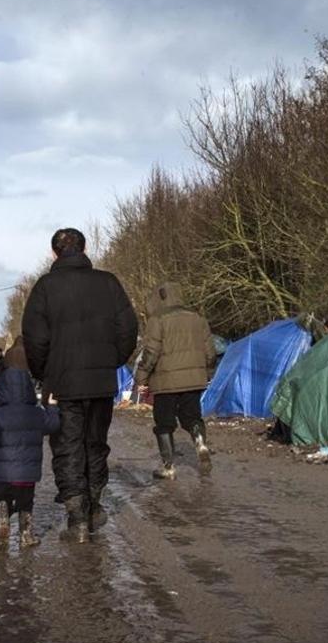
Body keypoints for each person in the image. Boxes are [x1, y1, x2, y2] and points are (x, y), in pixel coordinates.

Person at [22, 228, 138, 543]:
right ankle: (93, 504)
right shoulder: (108, 283)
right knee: (95, 442)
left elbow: (34, 338)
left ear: (54, 253)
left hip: (61, 382)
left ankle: (76, 516)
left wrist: (43, 371)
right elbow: (128, 328)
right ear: (85, 249)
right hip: (100, 381)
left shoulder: (45, 287)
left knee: (66, 445)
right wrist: (111, 360)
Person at [134, 281, 217, 480]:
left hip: (165, 382)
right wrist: (206, 373)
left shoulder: (157, 320)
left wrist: (141, 379)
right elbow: (211, 352)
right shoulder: (198, 318)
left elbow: (151, 353)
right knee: (192, 416)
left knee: (164, 423)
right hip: (193, 379)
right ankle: (199, 440)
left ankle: (168, 467)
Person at [0, 366, 61, 550]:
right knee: (26, 503)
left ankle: (3, 513)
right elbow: (53, 426)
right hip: (27, 475)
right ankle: (26, 535)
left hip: (3, 474)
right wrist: (52, 407)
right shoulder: (37, 413)